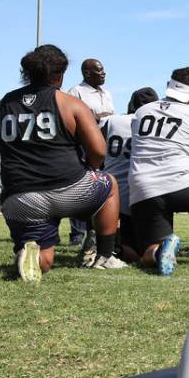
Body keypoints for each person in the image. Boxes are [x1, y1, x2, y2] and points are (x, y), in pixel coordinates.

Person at [0, 44, 127, 282]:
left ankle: (29, 253)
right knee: (110, 184)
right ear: (60, 74)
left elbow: (4, 148)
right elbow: (98, 150)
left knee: (44, 261)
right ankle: (105, 256)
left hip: (22, 197)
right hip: (69, 189)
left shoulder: (4, 104)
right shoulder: (69, 102)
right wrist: (90, 169)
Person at [129, 67, 189, 276]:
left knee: (149, 251)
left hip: (143, 189)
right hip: (182, 185)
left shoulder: (141, 112)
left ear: (167, 86)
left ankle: (159, 252)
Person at [100, 86, 160, 263]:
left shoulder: (111, 121)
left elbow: (96, 151)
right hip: (145, 193)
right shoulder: (156, 126)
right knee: (148, 246)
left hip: (112, 195)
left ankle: (115, 247)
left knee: (119, 246)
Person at [66, 59, 114, 247]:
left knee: (100, 186)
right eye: (99, 70)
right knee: (81, 188)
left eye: (103, 70)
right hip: (84, 145)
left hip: (104, 145)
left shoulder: (107, 93)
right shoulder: (76, 91)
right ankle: (77, 234)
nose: (104, 73)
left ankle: (95, 231)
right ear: (87, 73)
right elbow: (71, 117)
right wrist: (95, 116)